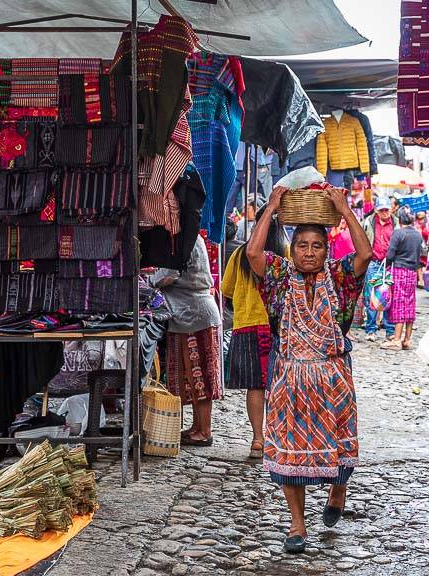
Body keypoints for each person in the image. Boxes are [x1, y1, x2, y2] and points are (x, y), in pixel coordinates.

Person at [246, 185, 372, 554]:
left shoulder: (340, 277)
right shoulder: (278, 275)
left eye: (317, 246)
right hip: (291, 378)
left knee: (338, 445)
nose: (309, 252)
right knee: (288, 454)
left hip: (331, 378)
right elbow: (253, 251)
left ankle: (338, 490)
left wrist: (344, 210)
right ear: (292, 248)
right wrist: (270, 207)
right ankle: (297, 524)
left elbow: (365, 253)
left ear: (326, 250)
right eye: (302, 245)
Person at [221, 205, 287, 459]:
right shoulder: (287, 252)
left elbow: (227, 290)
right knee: (279, 385)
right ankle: (277, 436)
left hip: (247, 324)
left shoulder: (240, 254)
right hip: (277, 327)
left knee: (255, 387)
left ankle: (258, 439)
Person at [159, 237, 222, 446]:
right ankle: (197, 427)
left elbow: (169, 274)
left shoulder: (184, 241)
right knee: (192, 377)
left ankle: (204, 430)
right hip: (189, 313)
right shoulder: (190, 238)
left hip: (195, 313)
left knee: (200, 376)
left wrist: (149, 280)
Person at [382, 208, 425, 350]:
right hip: (412, 272)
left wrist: (385, 269)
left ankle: (396, 340)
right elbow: (420, 256)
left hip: (399, 271)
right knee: (410, 304)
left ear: (399, 220)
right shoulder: (418, 235)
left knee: (399, 304)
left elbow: (390, 255)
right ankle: (407, 339)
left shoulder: (398, 233)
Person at [361, 195, 398, 342]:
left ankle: (389, 329)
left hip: (390, 264)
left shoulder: (395, 223)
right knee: (372, 297)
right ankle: (371, 329)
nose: (384, 212)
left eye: (386, 210)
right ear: (376, 211)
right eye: (381, 210)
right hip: (373, 263)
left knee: (388, 296)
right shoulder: (369, 223)